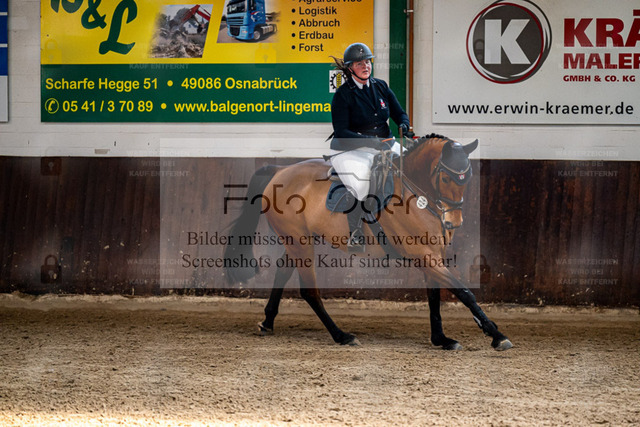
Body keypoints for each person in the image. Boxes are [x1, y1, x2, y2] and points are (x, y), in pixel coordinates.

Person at [329, 42, 412, 252]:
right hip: (350, 149)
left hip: (383, 144)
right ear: (350, 68)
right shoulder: (343, 95)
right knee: (360, 184)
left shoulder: (381, 86)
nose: (365, 66)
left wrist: (404, 125)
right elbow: (341, 132)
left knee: (412, 166)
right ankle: (356, 233)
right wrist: (368, 141)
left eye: (367, 62)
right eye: (359, 63)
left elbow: (399, 113)